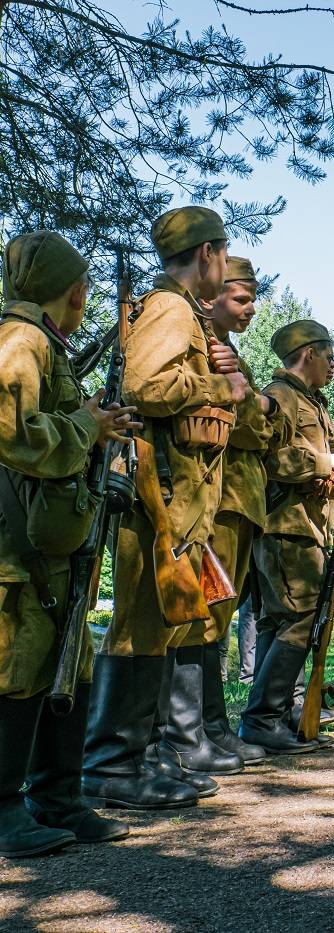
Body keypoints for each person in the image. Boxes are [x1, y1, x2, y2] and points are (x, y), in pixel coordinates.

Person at [83, 206, 245, 811]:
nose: (224, 265)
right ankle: (110, 766)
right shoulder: (172, 309)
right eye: (223, 254)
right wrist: (215, 387)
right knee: (140, 625)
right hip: (158, 499)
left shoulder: (188, 316)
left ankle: (144, 756)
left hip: (176, 500)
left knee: (160, 624)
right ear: (207, 254)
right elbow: (145, 386)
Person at [0, 232, 134, 855]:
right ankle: (4, 810)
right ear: (74, 290)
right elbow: (11, 434)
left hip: (52, 542)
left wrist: (98, 428)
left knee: (65, 663)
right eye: (84, 287)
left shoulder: (45, 346)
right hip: (17, 549)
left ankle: (58, 797)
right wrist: (87, 423)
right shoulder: (20, 341)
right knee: (17, 672)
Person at [162, 257, 277, 774]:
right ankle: (188, 734)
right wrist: (251, 405)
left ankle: (212, 727)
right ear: (211, 297)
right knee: (200, 617)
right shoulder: (198, 347)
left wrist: (251, 400)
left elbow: (259, 431)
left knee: (219, 617)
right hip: (215, 500)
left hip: (239, 502)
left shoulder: (231, 356)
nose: (251, 309)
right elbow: (246, 431)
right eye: (242, 297)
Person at [239, 320, 334, 752]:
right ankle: (262, 717)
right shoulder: (281, 397)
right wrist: (331, 462)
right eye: (330, 356)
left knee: (278, 622)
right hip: (285, 527)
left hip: (303, 525)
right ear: (308, 354)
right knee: (298, 619)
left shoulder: (309, 402)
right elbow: (275, 458)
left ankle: (281, 712)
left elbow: (310, 472)